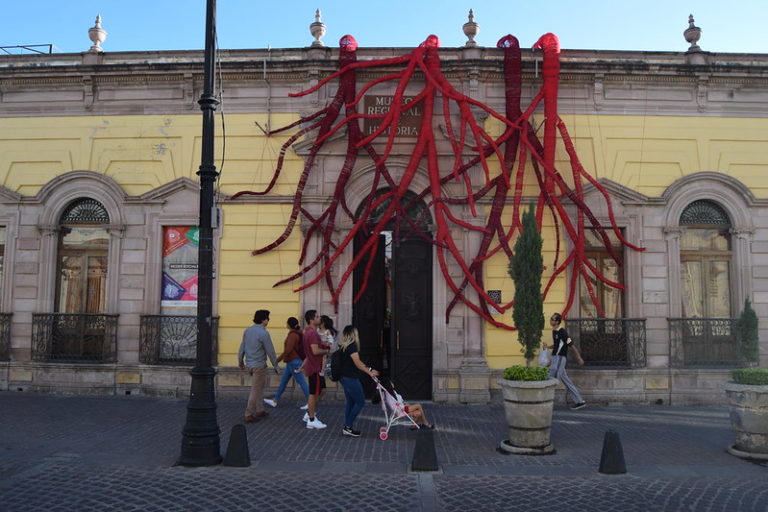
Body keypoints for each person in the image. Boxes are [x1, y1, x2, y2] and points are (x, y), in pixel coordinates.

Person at [238, 309, 280, 422]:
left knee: (259, 388)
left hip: (249, 364)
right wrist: (276, 366)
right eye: (267, 318)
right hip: (259, 365)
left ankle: (260, 409)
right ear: (263, 319)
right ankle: (248, 413)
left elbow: (242, 347)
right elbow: (270, 351)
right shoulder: (264, 333)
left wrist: (240, 362)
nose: (268, 320)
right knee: (256, 389)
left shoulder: (247, 331)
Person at [337, 325, 379, 437]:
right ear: (354, 334)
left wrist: (369, 369)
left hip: (344, 378)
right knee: (360, 402)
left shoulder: (343, 347)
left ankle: (347, 427)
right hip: (350, 379)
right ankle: (348, 426)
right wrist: (370, 372)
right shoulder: (352, 347)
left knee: (350, 402)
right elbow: (358, 363)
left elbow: (356, 363)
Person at [542, 312, 586, 410]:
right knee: (565, 380)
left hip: (560, 358)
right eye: (551, 318)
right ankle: (579, 401)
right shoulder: (554, 331)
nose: (550, 320)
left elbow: (571, 345)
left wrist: (578, 358)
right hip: (555, 358)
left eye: (553, 319)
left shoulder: (563, 332)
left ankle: (544, 401)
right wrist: (548, 347)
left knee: (550, 377)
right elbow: (557, 345)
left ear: (557, 322)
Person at [263, 317, 309, 410]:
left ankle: (311, 403)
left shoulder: (292, 335)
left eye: (287, 323)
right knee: (283, 382)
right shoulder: (296, 334)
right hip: (291, 362)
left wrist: (277, 360)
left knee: (302, 382)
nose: (286, 324)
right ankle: (275, 400)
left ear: (289, 325)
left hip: (294, 362)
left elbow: (288, 350)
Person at [301, 309, 331, 429]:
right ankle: (311, 418)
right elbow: (315, 351)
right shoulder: (312, 333)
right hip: (315, 367)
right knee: (314, 393)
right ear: (312, 320)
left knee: (321, 390)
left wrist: (323, 345)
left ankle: (310, 413)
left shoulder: (308, 331)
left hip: (314, 367)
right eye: (317, 317)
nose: (319, 318)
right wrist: (326, 350)